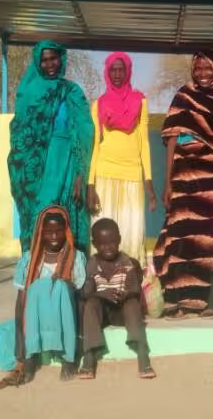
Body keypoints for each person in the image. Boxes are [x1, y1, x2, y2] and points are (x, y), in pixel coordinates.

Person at [153, 49, 213, 319]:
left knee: (203, 239)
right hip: (183, 176)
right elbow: (170, 142)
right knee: (178, 235)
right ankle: (174, 297)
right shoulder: (183, 96)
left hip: (211, 180)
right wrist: (167, 182)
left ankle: (196, 301)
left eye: (208, 68)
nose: (202, 73)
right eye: (198, 68)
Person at [8, 41, 95, 252]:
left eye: (53, 58)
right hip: (39, 168)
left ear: (61, 59)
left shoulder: (72, 91)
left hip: (67, 162)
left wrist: (80, 175)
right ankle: (36, 274)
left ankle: (71, 275)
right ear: (38, 63)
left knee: (68, 211)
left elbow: (85, 133)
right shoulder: (29, 94)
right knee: (41, 212)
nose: (50, 64)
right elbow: (21, 133)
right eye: (44, 60)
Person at [0, 206, 87, 388]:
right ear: (41, 232)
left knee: (62, 287)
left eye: (59, 231)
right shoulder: (29, 260)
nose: (54, 236)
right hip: (37, 314)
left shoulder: (76, 257)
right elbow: (22, 295)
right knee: (33, 290)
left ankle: (69, 358)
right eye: (49, 232)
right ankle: (29, 358)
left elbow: (79, 292)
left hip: (64, 312)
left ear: (66, 231)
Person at [87, 52, 156, 267]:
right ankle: (100, 285)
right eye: (112, 70)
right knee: (103, 232)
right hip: (104, 174)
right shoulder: (98, 104)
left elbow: (144, 143)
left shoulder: (140, 101)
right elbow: (94, 146)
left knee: (131, 232)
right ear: (107, 72)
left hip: (132, 175)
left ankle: (130, 288)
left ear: (128, 71)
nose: (117, 74)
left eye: (121, 69)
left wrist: (149, 182)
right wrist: (90, 185)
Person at [79, 218, 155, 380]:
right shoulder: (92, 263)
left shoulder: (126, 262)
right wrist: (101, 294)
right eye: (102, 244)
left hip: (122, 312)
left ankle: (142, 354)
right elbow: (86, 292)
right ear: (94, 244)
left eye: (112, 242)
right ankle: (89, 355)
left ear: (119, 240)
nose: (108, 247)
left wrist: (126, 294)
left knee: (132, 304)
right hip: (103, 314)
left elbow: (135, 288)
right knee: (91, 304)